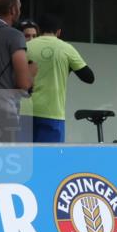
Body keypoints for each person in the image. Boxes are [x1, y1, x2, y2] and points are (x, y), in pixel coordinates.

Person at [21, 14, 95, 143]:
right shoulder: (66, 48)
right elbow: (89, 77)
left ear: (38, 30)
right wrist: (68, 68)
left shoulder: (25, 46)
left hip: (24, 112)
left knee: (25, 159)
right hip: (52, 113)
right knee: (49, 159)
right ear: (59, 32)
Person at [0, 0, 35, 141]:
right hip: (3, 112)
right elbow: (23, 83)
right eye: (19, 7)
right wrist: (31, 71)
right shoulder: (15, 36)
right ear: (13, 10)